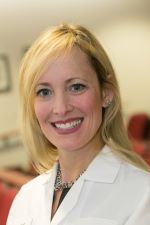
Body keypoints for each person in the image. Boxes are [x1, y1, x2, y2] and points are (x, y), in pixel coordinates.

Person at [7, 23, 150, 225]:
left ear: (105, 93)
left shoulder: (142, 194)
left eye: (76, 87)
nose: (61, 108)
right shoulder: (26, 198)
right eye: (44, 92)